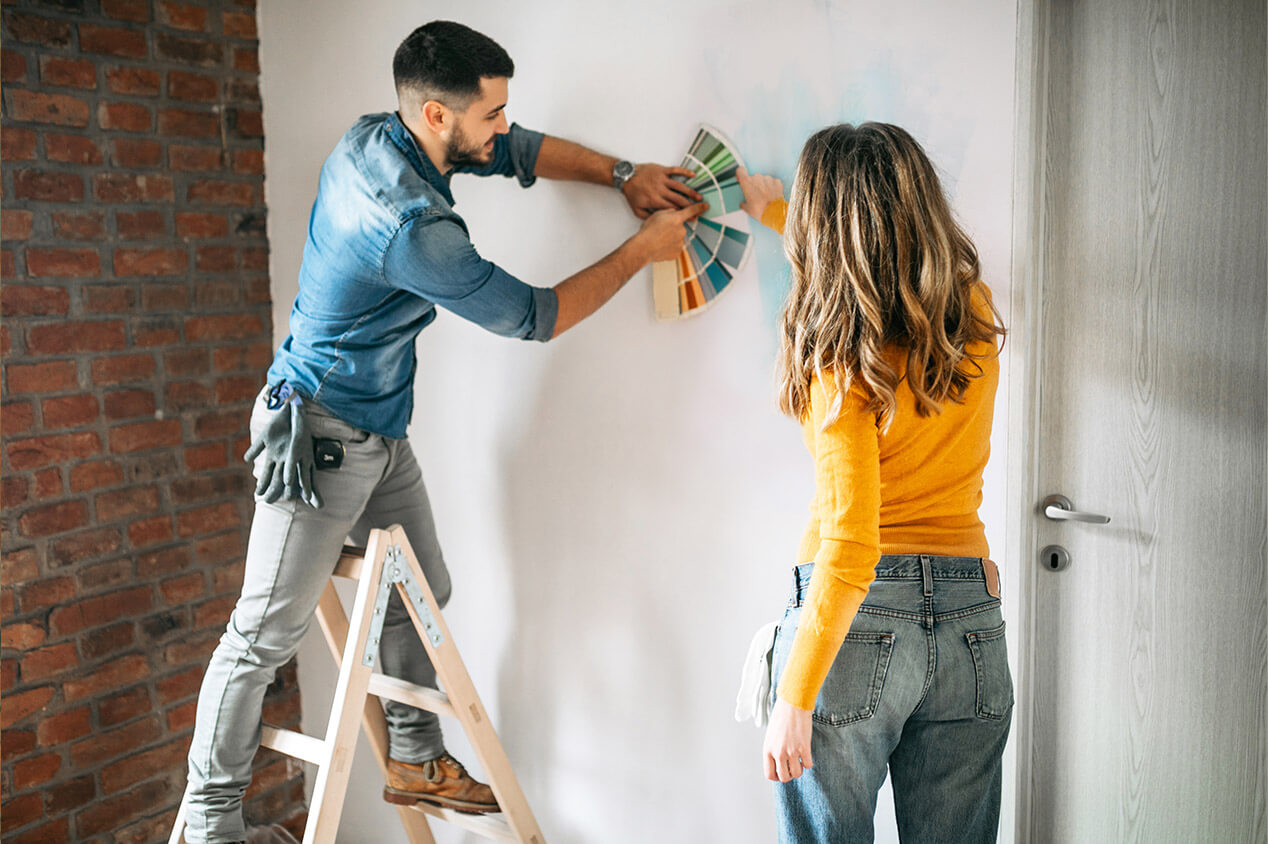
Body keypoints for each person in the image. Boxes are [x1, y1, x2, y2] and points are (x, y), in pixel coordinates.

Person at [181, 20, 706, 844]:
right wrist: (643, 249)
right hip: (318, 436)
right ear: (436, 115)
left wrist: (623, 174)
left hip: (377, 429)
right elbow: (535, 316)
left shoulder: (383, 135)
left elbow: (520, 150)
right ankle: (211, 825)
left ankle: (417, 755)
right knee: (258, 637)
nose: (501, 127)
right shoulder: (413, 228)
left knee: (423, 587)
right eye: (489, 114)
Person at [737, 124, 1010, 842]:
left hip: (855, 627)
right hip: (970, 624)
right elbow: (877, 264)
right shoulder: (971, 315)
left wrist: (794, 698)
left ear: (820, 230)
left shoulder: (840, 364)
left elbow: (853, 544)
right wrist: (770, 210)